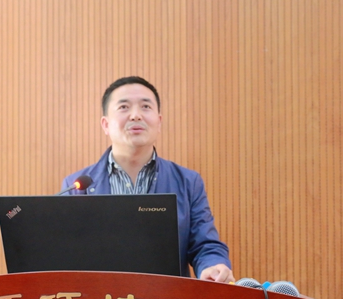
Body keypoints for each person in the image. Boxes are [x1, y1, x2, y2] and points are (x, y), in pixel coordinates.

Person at [62, 76, 234, 283]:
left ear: (158, 122)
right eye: (124, 107)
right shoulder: (76, 186)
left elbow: (205, 245)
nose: (136, 115)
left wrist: (213, 266)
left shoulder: (188, 182)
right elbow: (67, 254)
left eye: (145, 107)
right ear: (106, 124)